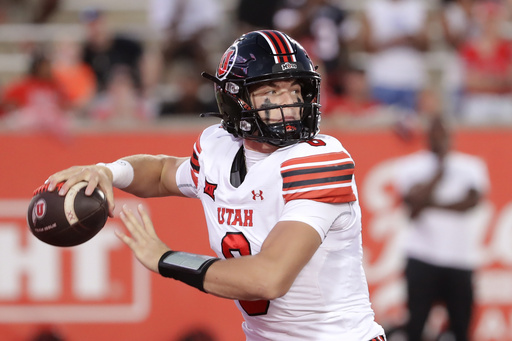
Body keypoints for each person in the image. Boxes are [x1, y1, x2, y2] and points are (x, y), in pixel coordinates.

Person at [46, 30, 386, 341]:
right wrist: (108, 171)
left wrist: (166, 258)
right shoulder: (218, 147)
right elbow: (164, 171)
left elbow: (269, 278)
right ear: (236, 99)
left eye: (295, 90)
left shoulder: (319, 159)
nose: (290, 104)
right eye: (271, 91)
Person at [394, 115, 490, 341]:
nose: (439, 139)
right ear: (427, 137)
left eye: (443, 134)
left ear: (451, 136)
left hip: (460, 258)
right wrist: (439, 173)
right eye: (434, 134)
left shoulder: (471, 165)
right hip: (421, 256)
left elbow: (471, 202)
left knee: (461, 327)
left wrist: (431, 203)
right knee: (416, 325)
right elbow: (413, 207)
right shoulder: (410, 166)